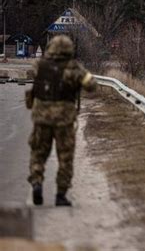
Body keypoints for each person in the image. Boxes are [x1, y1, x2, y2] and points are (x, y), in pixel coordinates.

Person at [26, 34, 96, 206]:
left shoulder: (39, 65)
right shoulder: (74, 68)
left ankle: (37, 182)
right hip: (64, 120)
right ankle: (61, 195)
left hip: (41, 118)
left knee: (38, 152)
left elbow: (31, 75)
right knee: (65, 157)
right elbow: (91, 86)